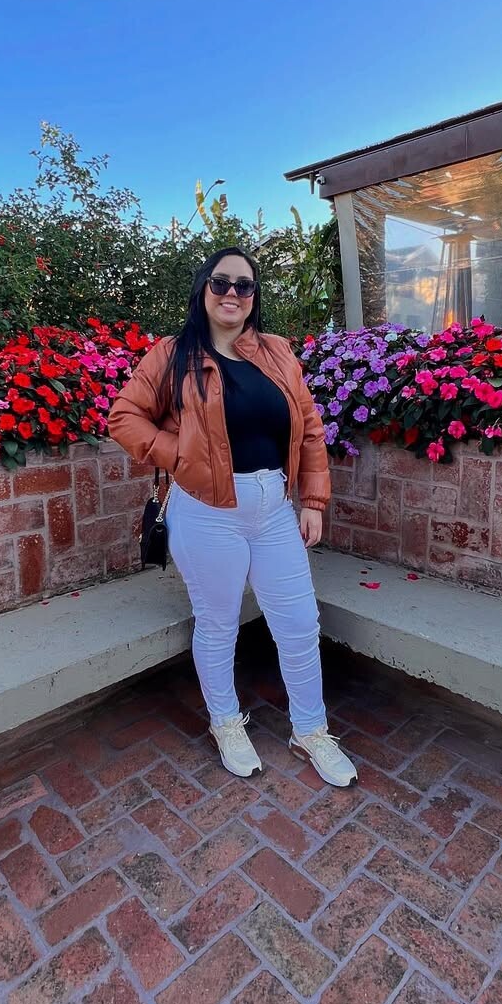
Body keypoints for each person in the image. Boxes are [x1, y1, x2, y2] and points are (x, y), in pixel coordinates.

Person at [108, 246, 358, 787]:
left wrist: (314, 501)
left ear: (253, 297)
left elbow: (310, 429)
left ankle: (310, 731)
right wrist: (181, 457)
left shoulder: (277, 352)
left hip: (273, 508)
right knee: (218, 623)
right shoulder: (173, 354)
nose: (231, 294)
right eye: (221, 282)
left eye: (244, 286)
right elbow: (124, 416)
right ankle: (225, 722)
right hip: (206, 512)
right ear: (204, 288)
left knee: (299, 623)